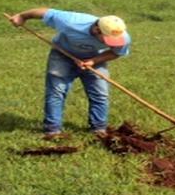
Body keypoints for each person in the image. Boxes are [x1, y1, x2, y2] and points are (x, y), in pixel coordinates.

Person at [9, 8, 131, 139]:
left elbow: (116, 52)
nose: (112, 42)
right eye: (108, 39)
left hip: (94, 57)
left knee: (100, 94)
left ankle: (99, 128)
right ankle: (52, 130)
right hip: (62, 54)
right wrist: (22, 16)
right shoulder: (71, 21)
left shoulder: (122, 37)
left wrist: (93, 61)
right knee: (56, 91)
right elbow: (45, 12)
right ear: (97, 30)